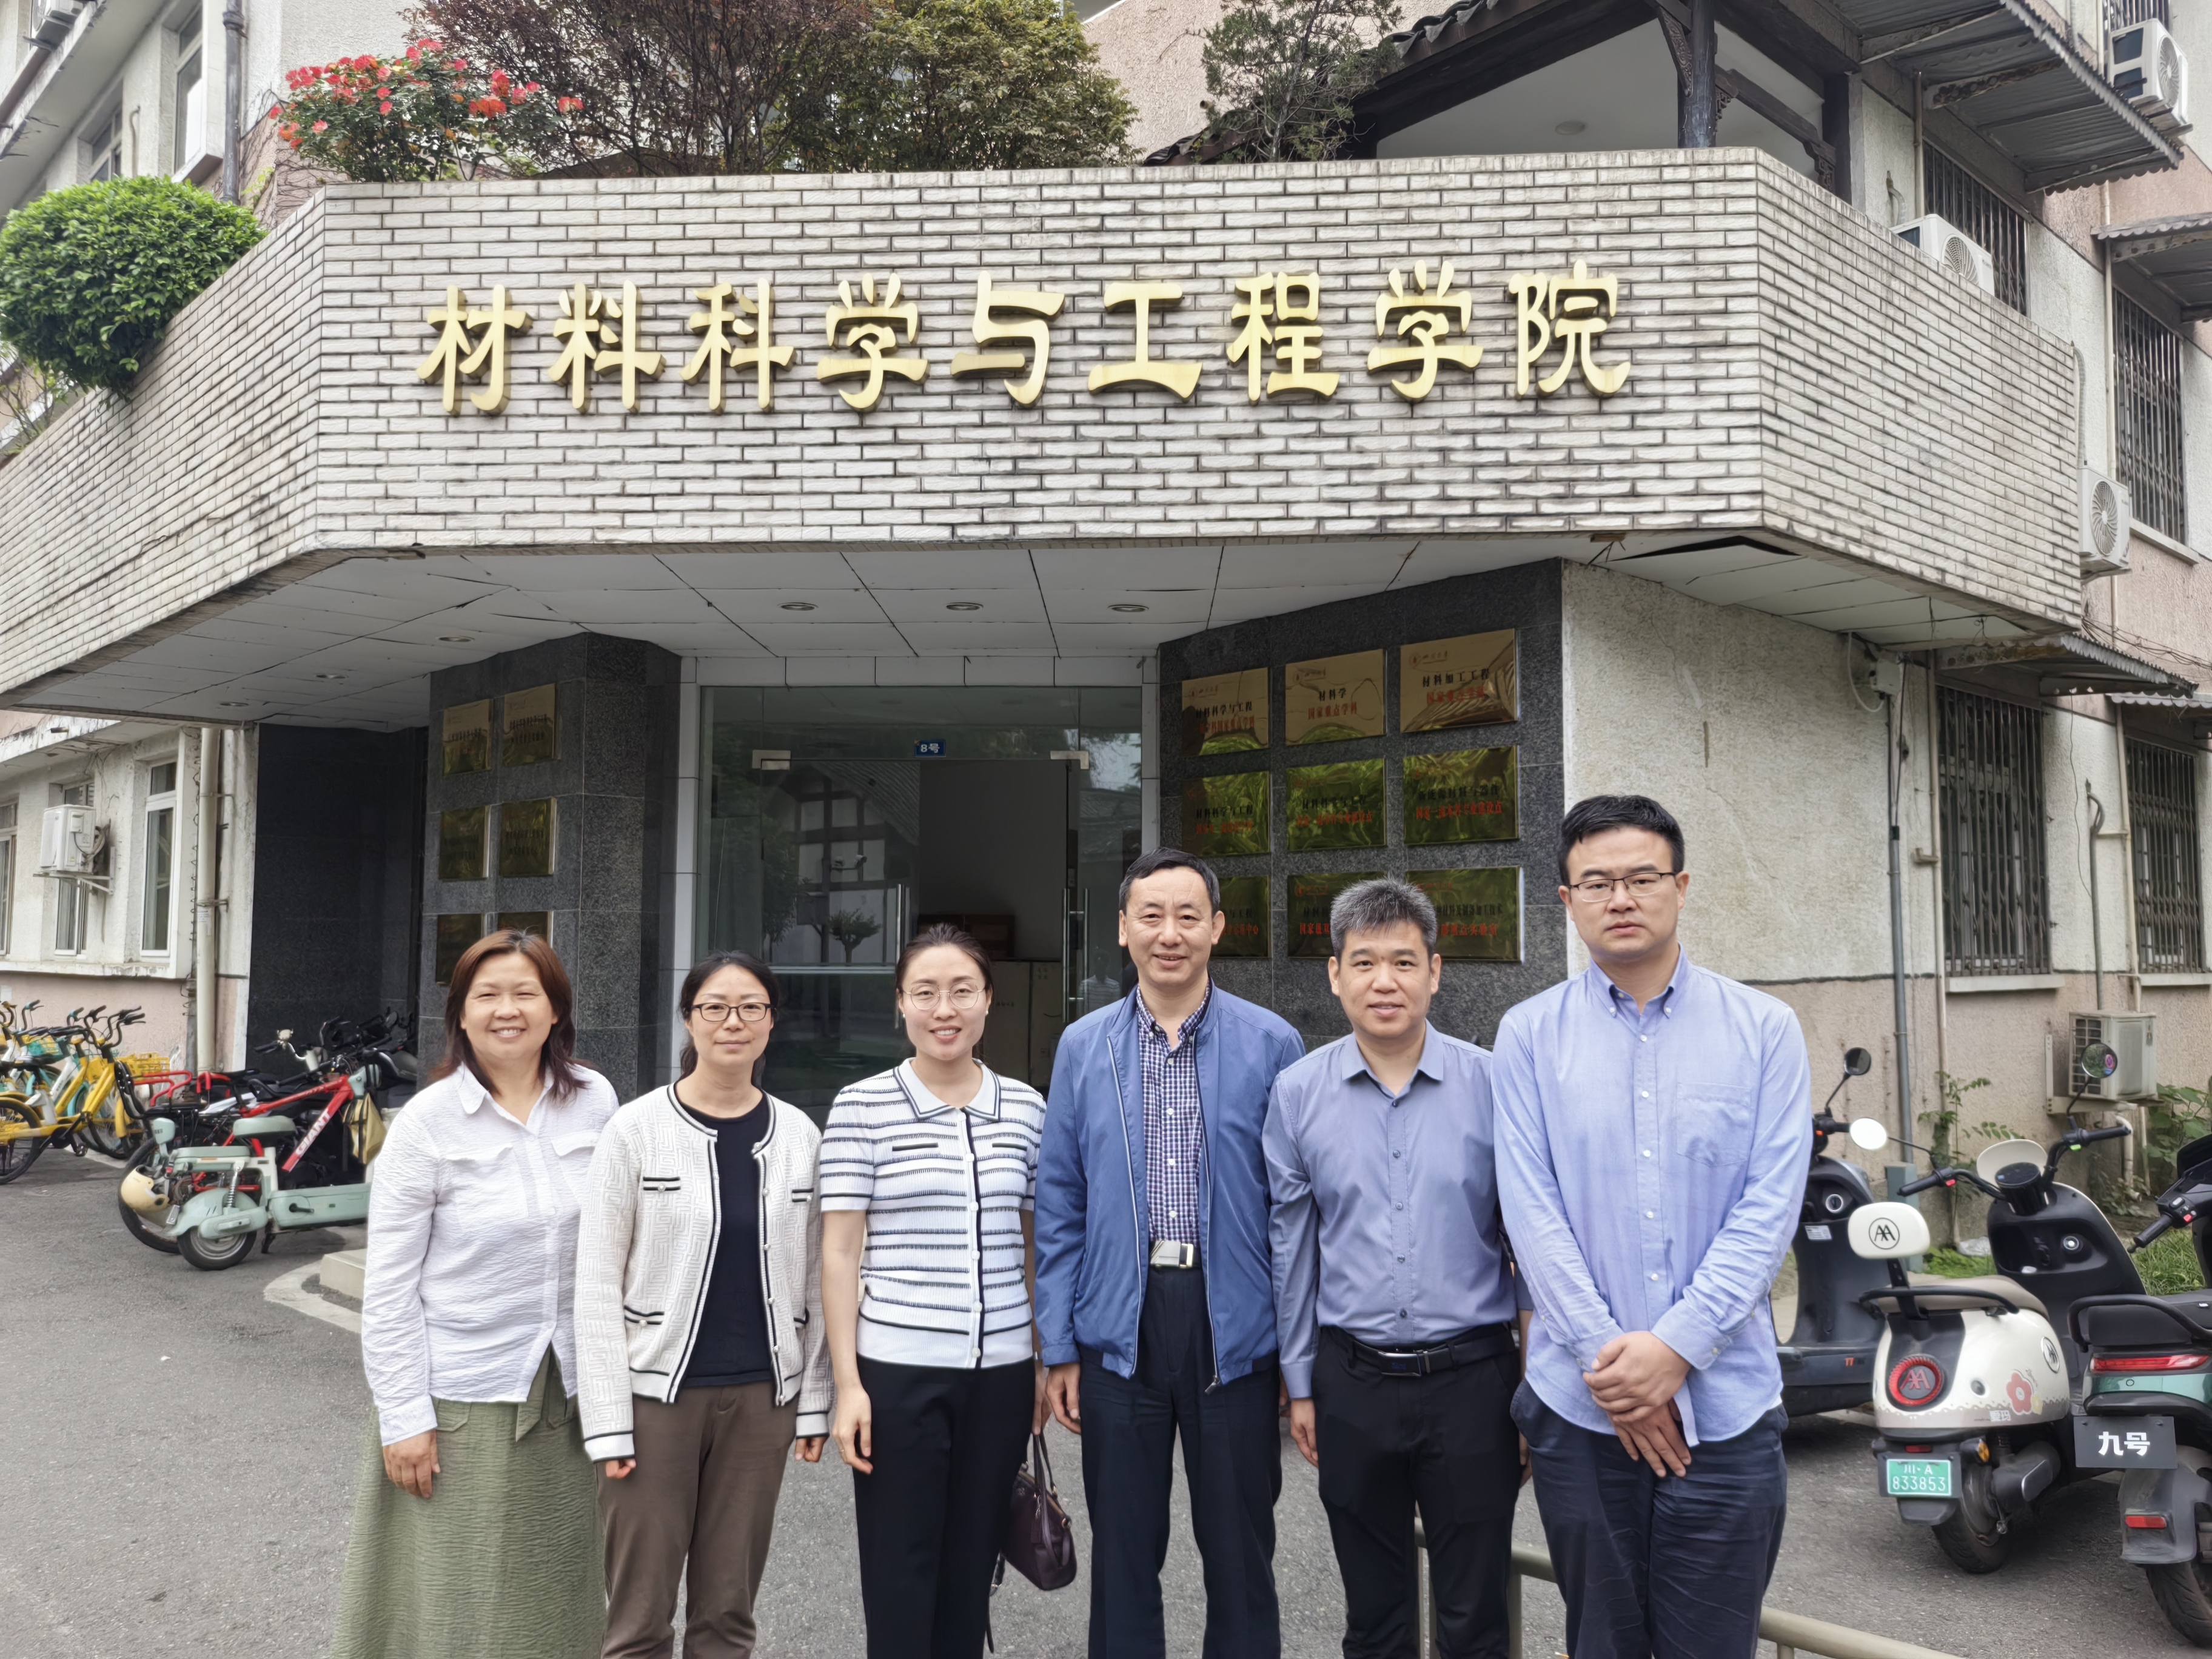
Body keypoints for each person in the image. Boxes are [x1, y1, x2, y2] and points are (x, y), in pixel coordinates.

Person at [1493, 796, 1812, 1659]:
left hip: (1728, 1410)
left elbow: (1769, 1209)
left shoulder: (1765, 1030)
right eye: (1597, 883)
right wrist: (1618, 1375)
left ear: (1682, 885)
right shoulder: (1528, 1035)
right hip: (1580, 1412)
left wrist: (1674, 1351)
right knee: (1601, 1642)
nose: (1622, 898)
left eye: (1642, 877)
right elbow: (1531, 1213)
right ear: (1567, 901)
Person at [1036, 848, 1307, 1659]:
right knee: (1124, 1558)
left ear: (1217, 927)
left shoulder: (1272, 1043)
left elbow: (1295, 1213)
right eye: (1151, 916)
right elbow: (1061, 1202)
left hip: (1234, 1324)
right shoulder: (1084, 1046)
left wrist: (1295, 1355)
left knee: (1240, 1555)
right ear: (1123, 929)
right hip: (1120, 1321)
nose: (1170, 933)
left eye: (1188, 916)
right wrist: (1060, 1343)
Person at [333, 930, 618, 1659]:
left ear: (556, 1009)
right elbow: (390, 1286)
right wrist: (404, 1417)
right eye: (487, 995)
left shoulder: (595, 1101)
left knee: (560, 1587)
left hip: (570, 1394)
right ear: (460, 1014)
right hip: (463, 1400)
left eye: (526, 993)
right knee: (456, 1596)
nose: (507, 1010)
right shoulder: (426, 1123)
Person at [1265, 878, 1530, 1659]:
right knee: (1374, 1618)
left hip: (1474, 1381)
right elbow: (1293, 1247)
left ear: (1435, 972)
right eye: (1365, 962)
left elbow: (1531, 1243)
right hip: (1352, 1384)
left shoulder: (1493, 1085)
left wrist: (1534, 1383)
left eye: (1405, 962)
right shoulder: (1298, 1093)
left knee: (1474, 1619)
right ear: (1335, 974)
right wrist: (1301, 1383)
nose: (1386, 981)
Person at [575, 952, 831, 1659]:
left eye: (751, 1007)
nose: (733, 1022)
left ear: (772, 1022)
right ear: (689, 1019)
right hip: (654, 1402)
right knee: (639, 1620)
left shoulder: (801, 1136)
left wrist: (814, 1404)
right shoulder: (635, 1130)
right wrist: (608, 1423)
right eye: (715, 1007)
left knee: (728, 1615)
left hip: (761, 1403)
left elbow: (819, 1280)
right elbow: (595, 1282)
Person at [817, 923, 1050, 1659]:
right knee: (900, 1567)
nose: (944, 1009)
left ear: (988, 1000)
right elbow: (839, 1252)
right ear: (900, 1003)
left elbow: (1034, 1244)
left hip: (1001, 1374)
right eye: (925, 992)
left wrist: (1038, 1359)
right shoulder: (862, 1106)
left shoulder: (1026, 1108)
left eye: (961, 991)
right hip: (898, 1374)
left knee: (972, 1566)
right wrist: (847, 1387)